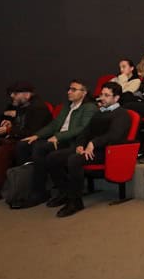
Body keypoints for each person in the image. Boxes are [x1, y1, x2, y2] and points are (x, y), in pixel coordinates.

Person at [45, 82, 131, 217]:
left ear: (116, 98)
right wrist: (80, 144)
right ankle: (65, 192)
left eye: (107, 95)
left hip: (108, 151)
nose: (102, 98)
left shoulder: (122, 114)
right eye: (101, 94)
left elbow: (114, 136)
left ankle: (75, 202)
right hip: (90, 148)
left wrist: (93, 143)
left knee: (74, 160)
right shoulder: (99, 112)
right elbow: (86, 131)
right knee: (53, 157)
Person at [0, 82, 51, 206]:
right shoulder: (22, 105)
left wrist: (10, 130)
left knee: (4, 149)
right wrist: (10, 124)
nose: (12, 96)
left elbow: (32, 132)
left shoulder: (38, 108)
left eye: (15, 93)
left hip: (33, 141)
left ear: (27, 94)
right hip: (20, 138)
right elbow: (20, 124)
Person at [17, 79, 98, 206]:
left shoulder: (89, 107)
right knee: (25, 144)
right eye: (69, 89)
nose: (69, 92)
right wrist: (37, 135)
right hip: (59, 138)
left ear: (84, 93)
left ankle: (40, 192)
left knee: (41, 149)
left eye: (73, 89)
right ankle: (40, 188)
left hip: (72, 141)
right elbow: (55, 124)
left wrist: (59, 136)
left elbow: (82, 128)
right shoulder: (68, 105)